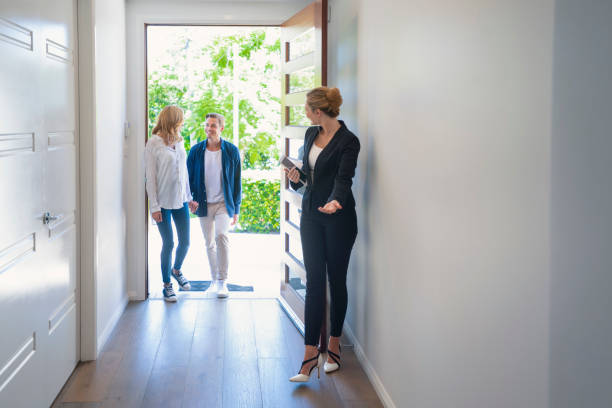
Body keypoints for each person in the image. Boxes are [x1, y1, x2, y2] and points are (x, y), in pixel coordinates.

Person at [285, 87, 360, 382]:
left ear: (319, 110)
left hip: (339, 219)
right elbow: (309, 178)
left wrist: (336, 199)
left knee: (335, 279)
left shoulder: (348, 141)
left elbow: (344, 178)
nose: (305, 112)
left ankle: (333, 345)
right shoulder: (309, 134)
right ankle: (309, 356)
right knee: (314, 281)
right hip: (311, 217)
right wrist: (296, 178)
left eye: (307, 108)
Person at [145, 105, 198, 302]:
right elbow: (150, 177)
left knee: (185, 241)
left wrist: (190, 197)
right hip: (163, 204)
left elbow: (183, 174)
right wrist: (154, 207)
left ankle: (177, 269)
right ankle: (167, 284)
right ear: (172, 121)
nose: (182, 123)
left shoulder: (180, 141)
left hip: (181, 200)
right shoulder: (153, 143)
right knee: (168, 243)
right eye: (180, 119)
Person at [187, 113, 241, 298]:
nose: (209, 128)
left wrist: (237, 209)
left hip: (223, 204)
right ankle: (213, 279)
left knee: (221, 236)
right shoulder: (195, 151)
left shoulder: (231, 151)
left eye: (213, 125)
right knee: (209, 243)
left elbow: (236, 181)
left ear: (221, 129)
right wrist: (189, 199)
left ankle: (223, 281)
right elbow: (187, 179)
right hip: (203, 204)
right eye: (207, 125)